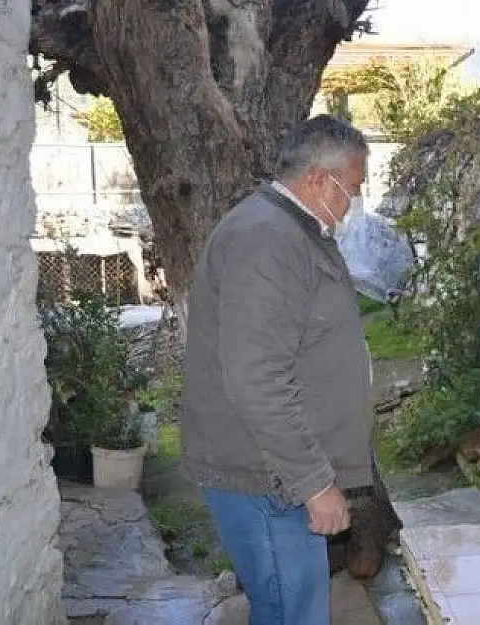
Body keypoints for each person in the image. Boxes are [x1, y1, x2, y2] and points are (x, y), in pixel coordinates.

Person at [180, 115, 376, 625]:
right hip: (267, 478)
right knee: (293, 612)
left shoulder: (292, 230)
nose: (353, 200)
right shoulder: (267, 239)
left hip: (277, 473)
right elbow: (256, 379)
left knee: (288, 607)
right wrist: (315, 484)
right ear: (318, 180)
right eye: (351, 188)